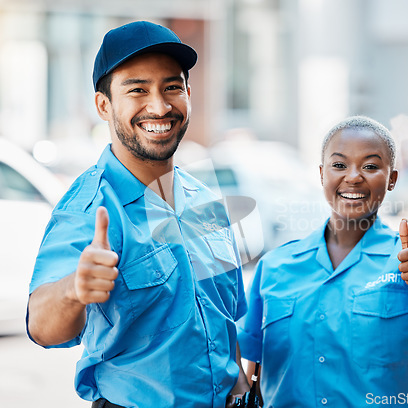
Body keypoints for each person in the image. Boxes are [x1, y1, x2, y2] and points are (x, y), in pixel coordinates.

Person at [27, 21, 250, 408]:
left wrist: (243, 385)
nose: (160, 106)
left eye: (172, 87)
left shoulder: (205, 201)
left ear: (189, 94)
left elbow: (224, 315)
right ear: (104, 105)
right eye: (138, 90)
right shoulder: (91, 208)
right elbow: (41, 326)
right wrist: (74, 288)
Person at [238, 116, 408, 407]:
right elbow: (253, 372)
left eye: (371, 166)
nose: (354, 176)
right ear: (322, 174)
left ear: (392, 178)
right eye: (339, 165)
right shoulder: (274, 266)